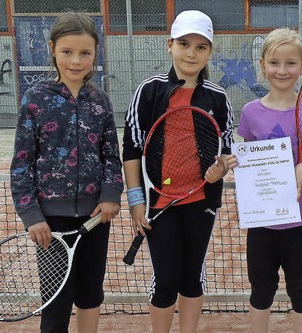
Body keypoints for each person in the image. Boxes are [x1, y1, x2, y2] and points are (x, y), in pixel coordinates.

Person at [9, 12, 123, 333]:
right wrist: (32, 215)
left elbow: (111, 156)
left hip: (95, 219)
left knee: (90, 296)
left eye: (85, 53)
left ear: (95, 54)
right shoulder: (35, 100)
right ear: (52, 49)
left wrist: (111, 195)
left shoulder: (100, 101)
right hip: (51, 225)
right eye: (67, 52)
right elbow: (21, 163)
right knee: (56, 303)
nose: (76, 61)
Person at [121, 10, 234, 333]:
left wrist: (219, 171)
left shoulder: (217, 97)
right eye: (184, 43)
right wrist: (136, 202)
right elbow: (131, 149)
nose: (191, 53)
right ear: (169, 45)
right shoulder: (150, 91)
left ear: (210, 51)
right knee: (166, 280)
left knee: (192, 278)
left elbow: (224, 152)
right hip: (159, 205)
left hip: (201, 203)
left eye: (201, 47)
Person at [226, 28, 302, 333]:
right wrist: (237, 163)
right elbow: (246, 158)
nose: (282, 70)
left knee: (301, 291)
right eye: (275, 63)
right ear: (263, 65)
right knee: (261, 290)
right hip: (263, 222)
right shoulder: (250, 112)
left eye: (290, 63)